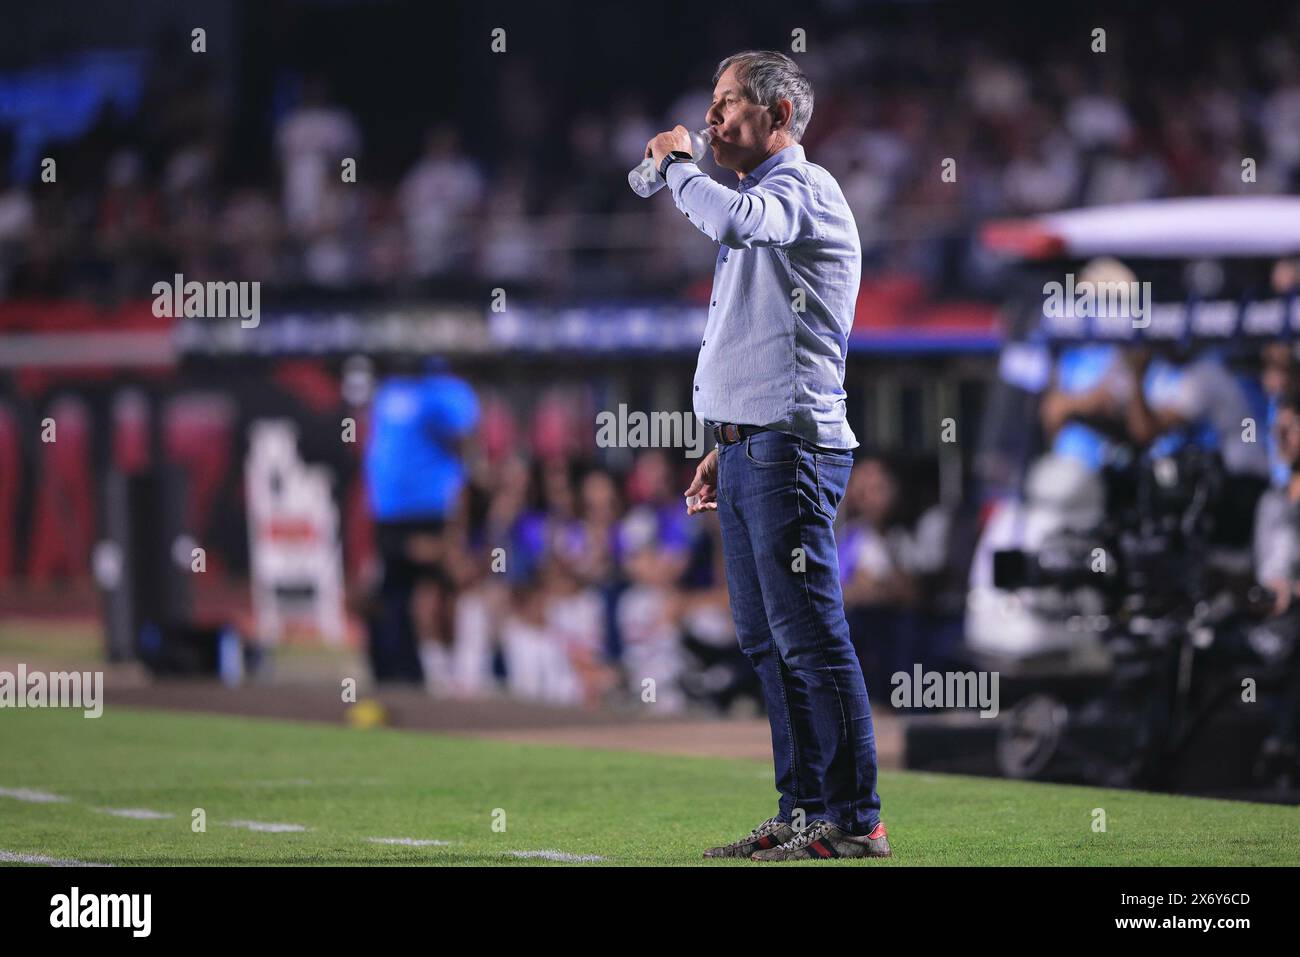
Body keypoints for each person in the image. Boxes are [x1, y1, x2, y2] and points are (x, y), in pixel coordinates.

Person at [653, 50, 889, 861]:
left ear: (778, 117)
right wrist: (725, 442)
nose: (713, 119)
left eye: (727, 105)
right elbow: (757, 338)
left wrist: (679, 163)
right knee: (767, 641)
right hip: (756, 445)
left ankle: (856, 821)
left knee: (811, 636)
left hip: (792, 449)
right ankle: (804, 812)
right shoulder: (763, 192)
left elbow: (735, 223)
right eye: (710, 106)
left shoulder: (801, 188)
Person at [363, 357, 478, 685]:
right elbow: (463, 441)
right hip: (411, 511)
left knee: (434, 590)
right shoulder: (436, 394)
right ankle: (411, 673)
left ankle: (451, 673)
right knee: (402, 594)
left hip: (412, 510)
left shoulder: (395, 395)